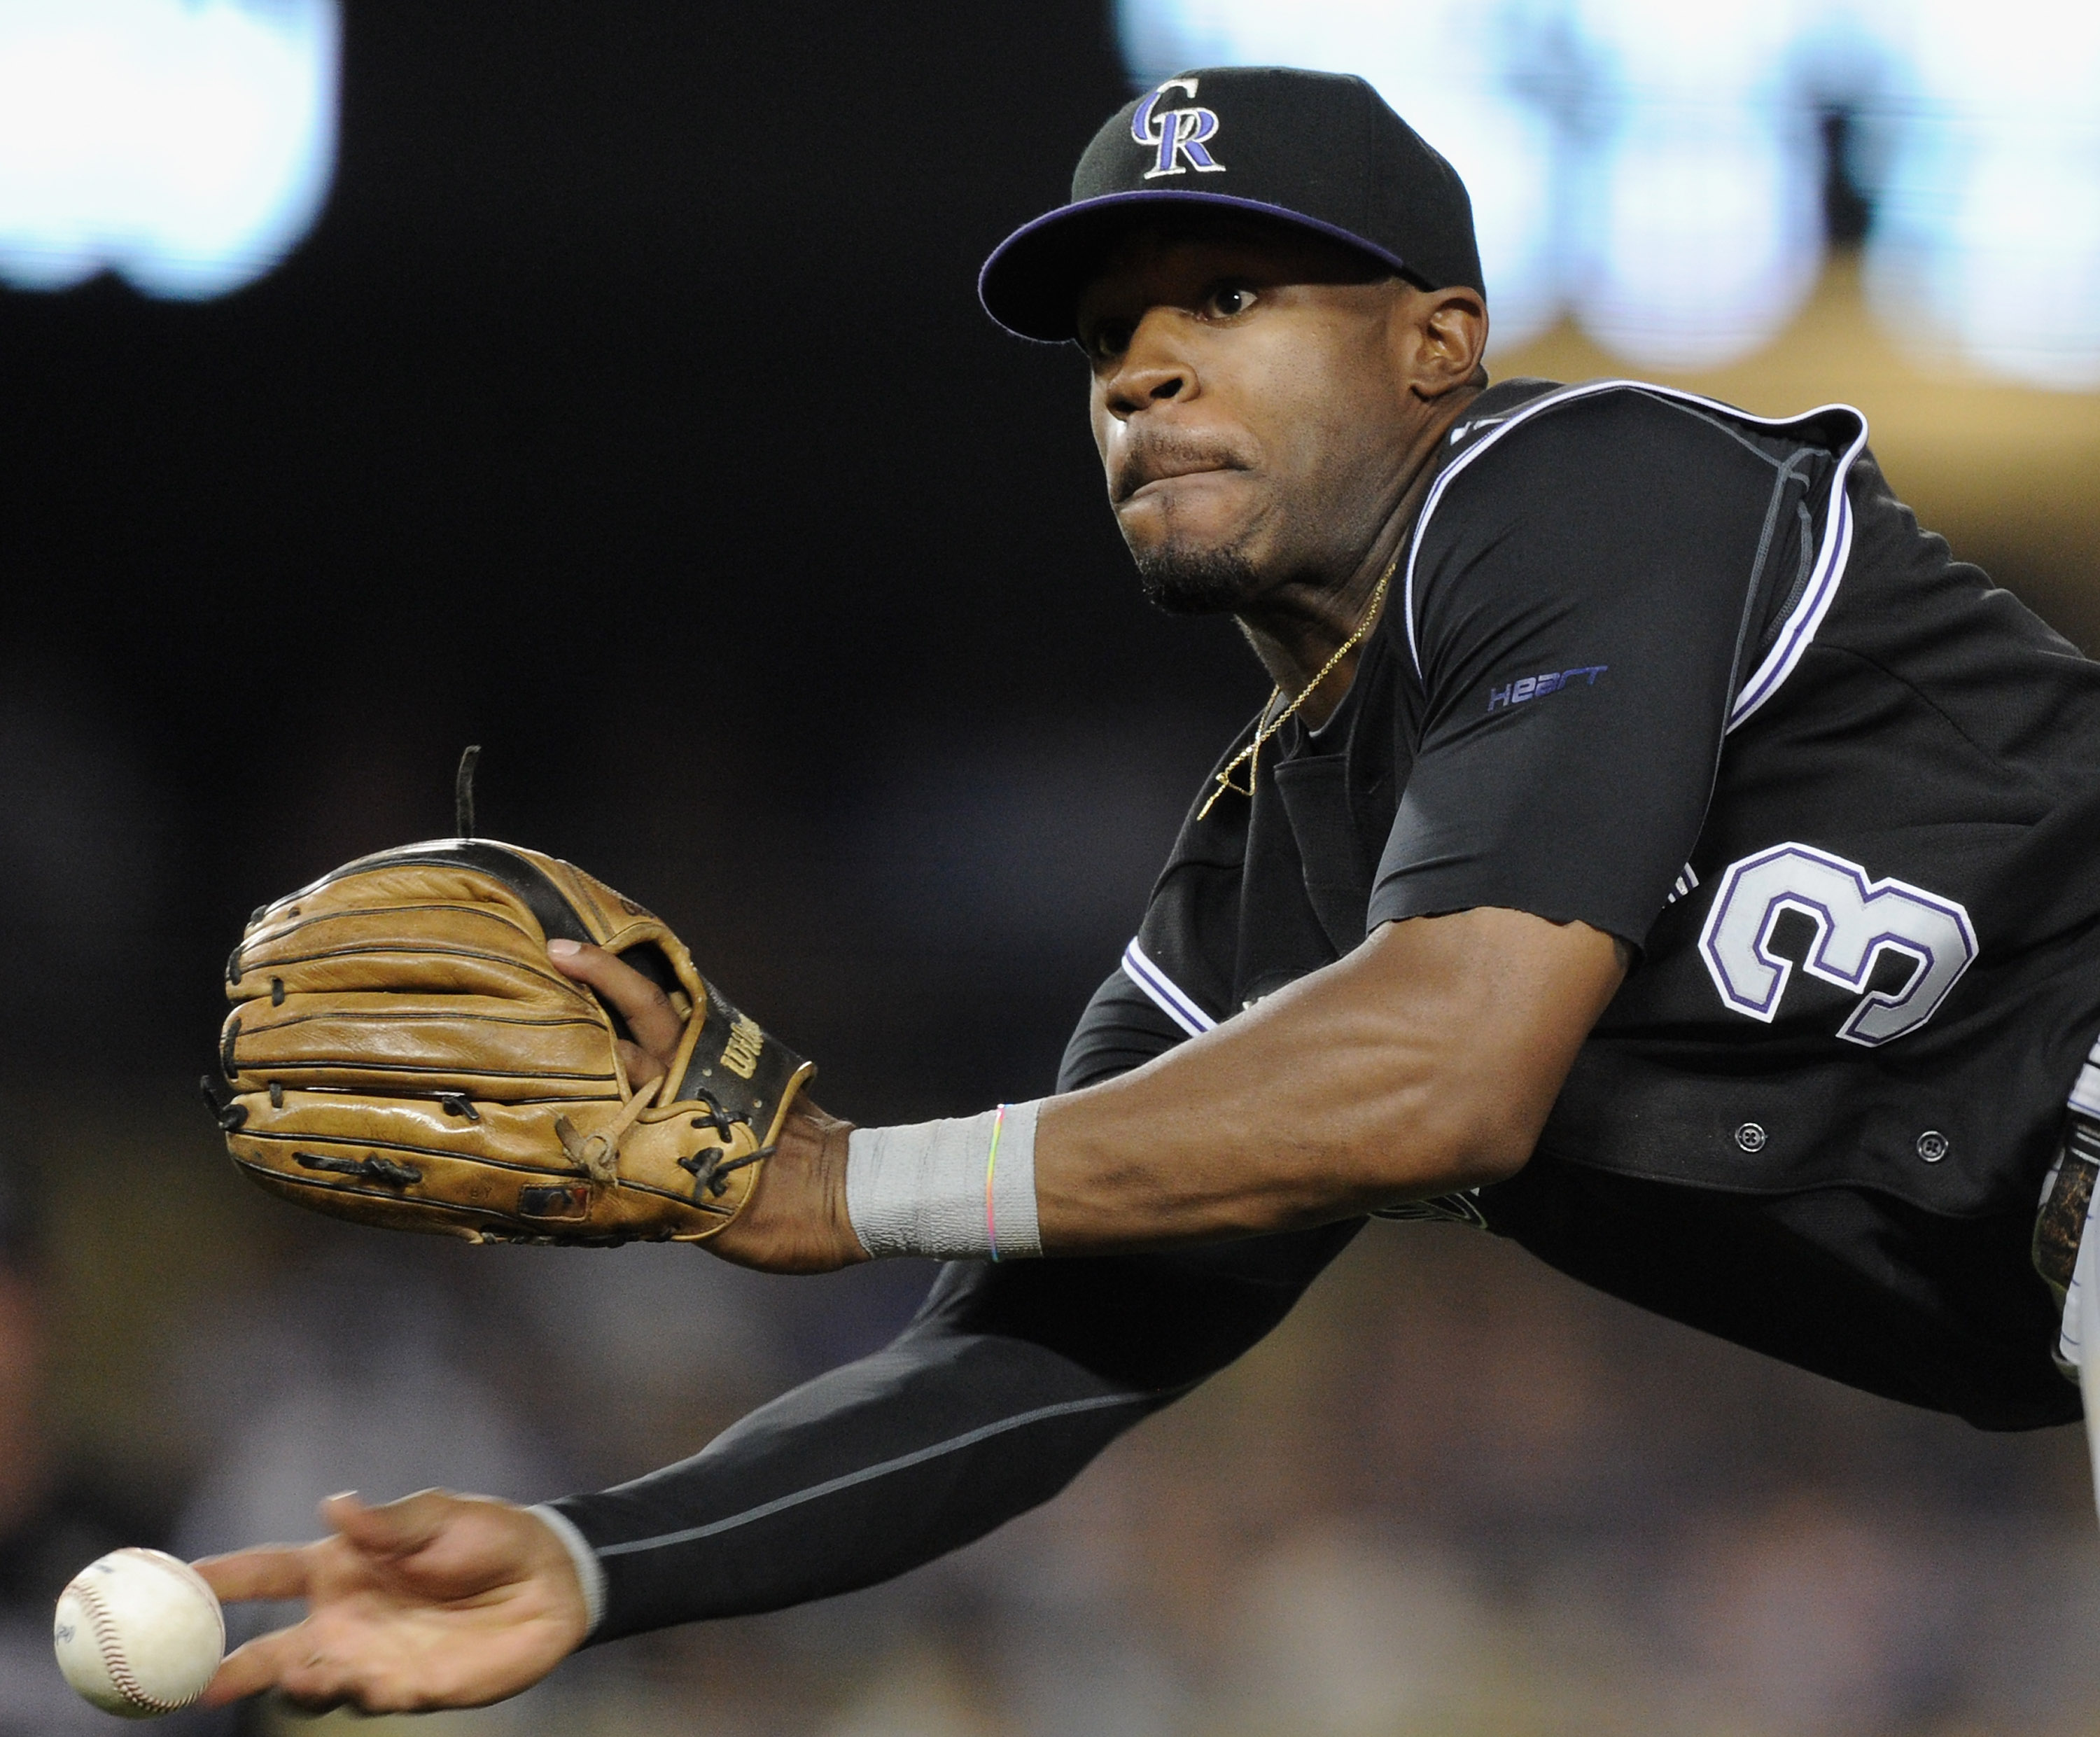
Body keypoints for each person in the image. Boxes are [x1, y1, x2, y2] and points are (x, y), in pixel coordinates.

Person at [194, 66, 2100, 1713]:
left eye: (1233, 290)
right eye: (1109, 332)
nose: (1147, 364)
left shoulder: (1586, 483)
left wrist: (838, 1175)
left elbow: (1455, 1064)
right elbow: (1018, 1358)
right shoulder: (1265, 887)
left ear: (1439, 343)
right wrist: (604, 1557)